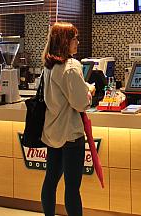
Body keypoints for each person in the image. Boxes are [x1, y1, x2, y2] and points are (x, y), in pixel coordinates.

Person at [41, 22, 95, 216]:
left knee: (50, 180)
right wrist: (89, 91)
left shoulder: (48, 65)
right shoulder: (71, 67)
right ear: (65, 41)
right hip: (70, 134)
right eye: (74, 39)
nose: (77, 42)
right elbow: (80, 104)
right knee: (72, 188)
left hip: (52, 132)